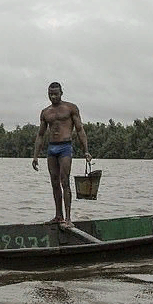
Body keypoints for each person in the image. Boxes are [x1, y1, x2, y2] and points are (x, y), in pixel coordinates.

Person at [31, 81, 91, 226]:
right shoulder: (46, 112)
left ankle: (68, 219)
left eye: (55, 94)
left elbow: (80, 129)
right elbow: (40, 135)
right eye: (50, 94)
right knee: (54, 182)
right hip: (52, 148)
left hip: (65, 147)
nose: (53, 96)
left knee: (65, 181)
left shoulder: (70, 108)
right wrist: (35, 156)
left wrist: (86, 151)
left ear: (61, 93)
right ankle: (59, 215)